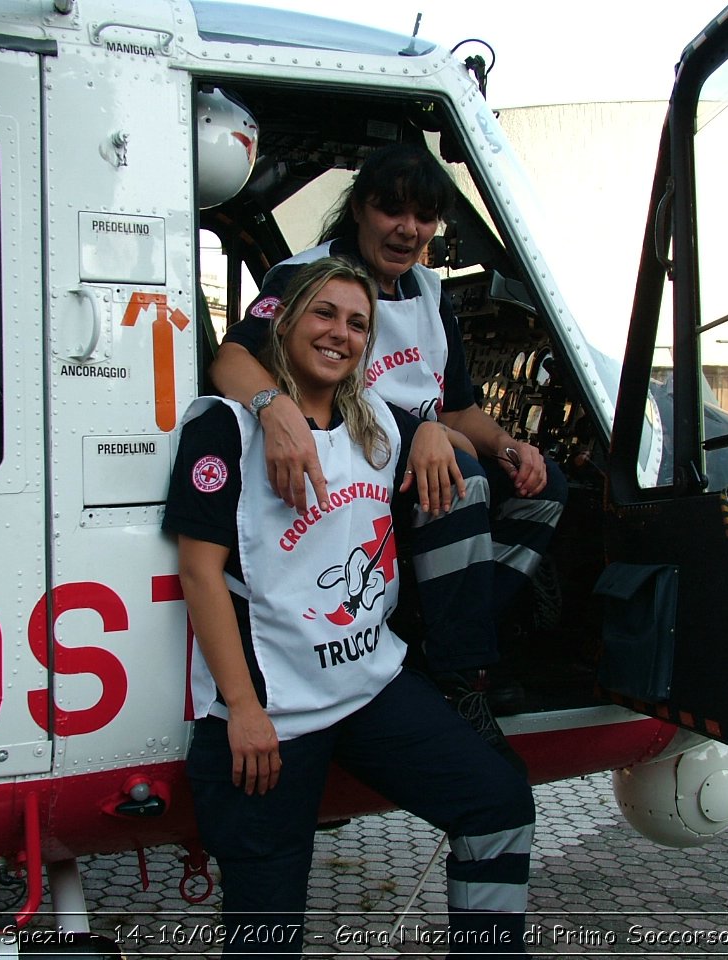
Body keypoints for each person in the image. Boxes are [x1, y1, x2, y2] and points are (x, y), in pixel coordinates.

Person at [165, 258, 535, 957]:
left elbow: (447, 430)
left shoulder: (378, 424)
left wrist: (432, 430)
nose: (341, 333)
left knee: (499, 804)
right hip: (273, 717)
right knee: (266, 934)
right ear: (286, 319)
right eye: (325, 315)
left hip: (371, 689)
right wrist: (243, 711)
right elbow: (200, 573)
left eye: (358, 323)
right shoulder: (222, 429)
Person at [210, 142, 567, 738]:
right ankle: (462, 677)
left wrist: (510, 445)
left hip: (421, 443)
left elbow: (457, 408)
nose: (408, 230)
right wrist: (274, 410)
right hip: (351, 450)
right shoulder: (307, 276)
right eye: (391, 212)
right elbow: (233, 357)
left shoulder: (429, 292)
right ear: (359, 210)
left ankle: (447, 633)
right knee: (461, 479)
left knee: (545, 484)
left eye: (424, 218)